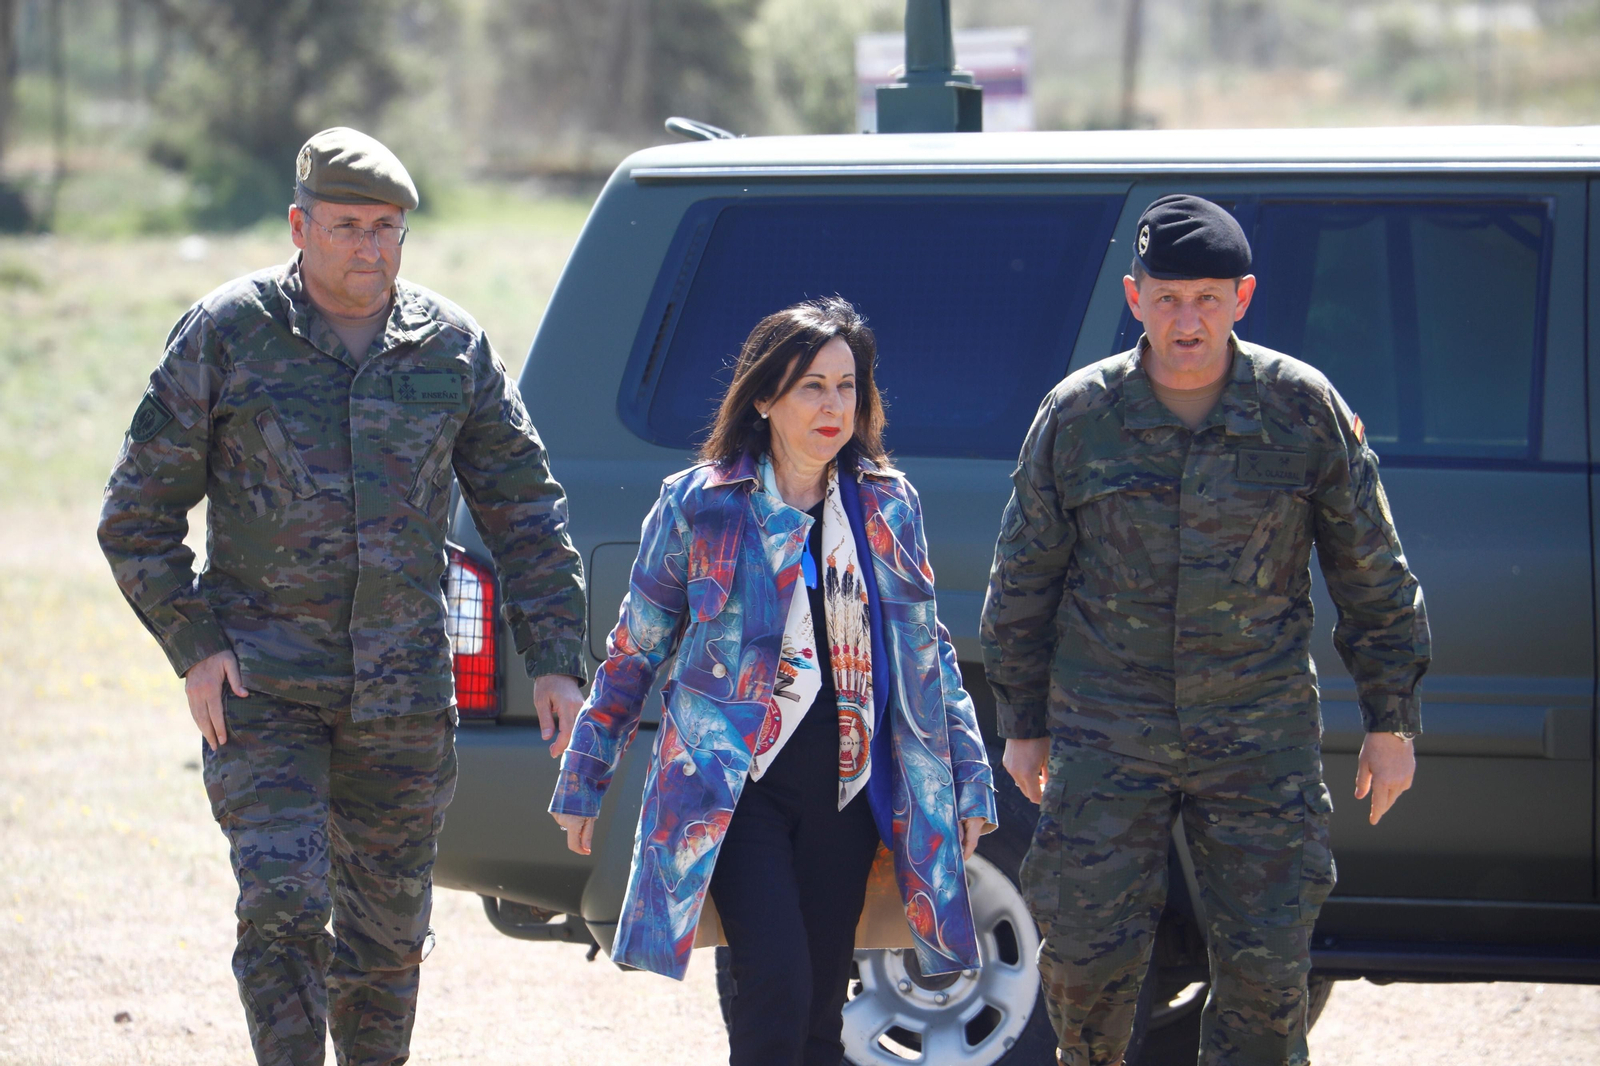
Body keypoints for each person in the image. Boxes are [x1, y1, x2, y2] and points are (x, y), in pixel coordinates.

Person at [97, 127, 587, 1066]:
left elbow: (526, 511)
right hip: (264, 692)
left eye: (386, 227)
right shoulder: (227, 335)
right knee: (282, 907)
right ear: (299, 226)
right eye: (348, 226)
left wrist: (558, 661)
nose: (370, 246)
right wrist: (195, 643)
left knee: (387, 939)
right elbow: (136, 515)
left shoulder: (451, 348)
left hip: (402, 700)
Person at [980, 194, 1431, 1066]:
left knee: (1268, 980)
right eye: (1167, 298)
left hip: (1258, 736)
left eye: (1208, 300)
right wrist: (1023, 723)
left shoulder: (1302, 408)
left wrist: (1392, 721)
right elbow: (1024, 580)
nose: (1187, 322)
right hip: (1108, 733)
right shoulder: (1078, 416)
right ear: (1135, 296)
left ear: (1243, 298)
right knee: (1084, 966)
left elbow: (1372, 571)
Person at [548, 297, 998, 1066]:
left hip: (846, 788)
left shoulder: (887, 504)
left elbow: (929, 656)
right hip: (733, 787)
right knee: (777, 985)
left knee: (820, 1006)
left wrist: (969, 781)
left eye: (847, 387)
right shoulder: (700, 504)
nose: (833, 406)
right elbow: (634, 651)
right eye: (811, 387)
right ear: (763, 398)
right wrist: (585, 773)